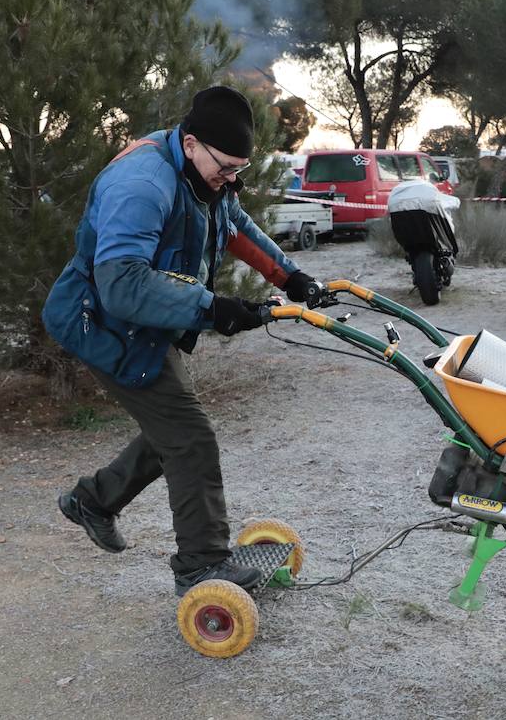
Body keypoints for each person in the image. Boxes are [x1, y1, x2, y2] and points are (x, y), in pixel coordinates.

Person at [41, 86, 320, 595]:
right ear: (190, 144)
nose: (232, 179)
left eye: (240, 169)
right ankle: (201, 565)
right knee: (190, 438)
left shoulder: (205, 177)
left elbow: (234, 225)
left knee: (174, 427)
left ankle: (94, 501)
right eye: (226, 167)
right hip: (103, 323)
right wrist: (211, 308)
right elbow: (122, 283)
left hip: (148, 321)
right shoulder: (142, 183)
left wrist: (291, 277)